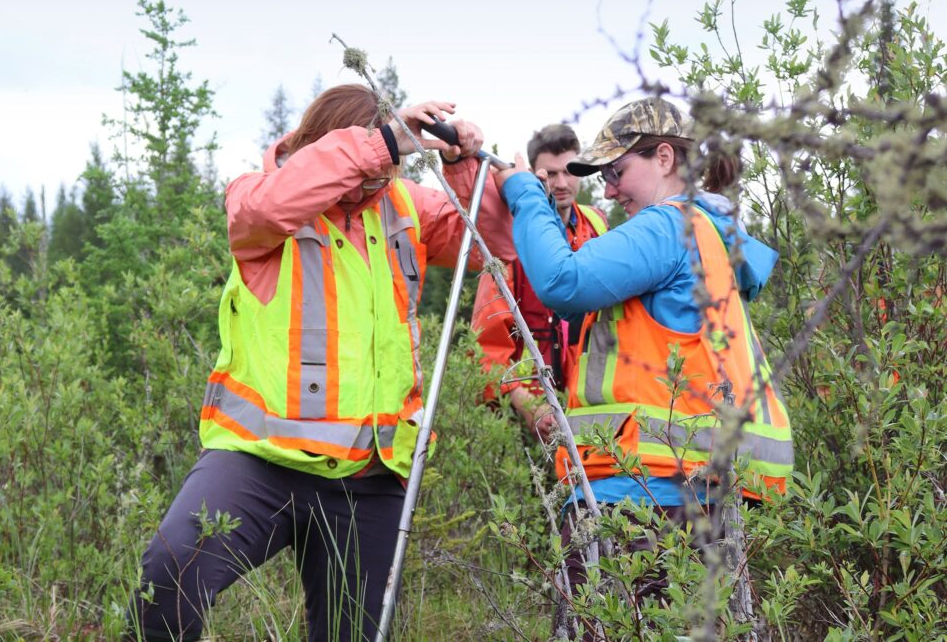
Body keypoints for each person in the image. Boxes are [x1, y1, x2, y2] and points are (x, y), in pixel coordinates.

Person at [125, 84, 513, 642]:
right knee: (169, 575)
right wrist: (382, 142)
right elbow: (269, 206)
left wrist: (460, 168)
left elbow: (490, 243)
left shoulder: (402, 205)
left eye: (389, 165)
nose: (380, 178)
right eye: (370, 161)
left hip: (369, 474)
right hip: (260, 462)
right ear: (323, 144)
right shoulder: (257, 197)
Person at [493, 97, 794, 614]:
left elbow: (563, 282)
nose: (608, 189)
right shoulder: (708, 235)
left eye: (617, 171)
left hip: (642, 503)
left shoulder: (667, 227)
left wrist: (524, 192)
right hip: (694, 498)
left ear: (663, 158)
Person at [470, 124, 607, 440]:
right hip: (526, 419)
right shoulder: (511, 237)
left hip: (587, 411)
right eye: (551, 173)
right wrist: (528, 404)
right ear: (533, 173)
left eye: (569, 172)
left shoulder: (598, 224)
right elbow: (486, 349)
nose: (561, 183)